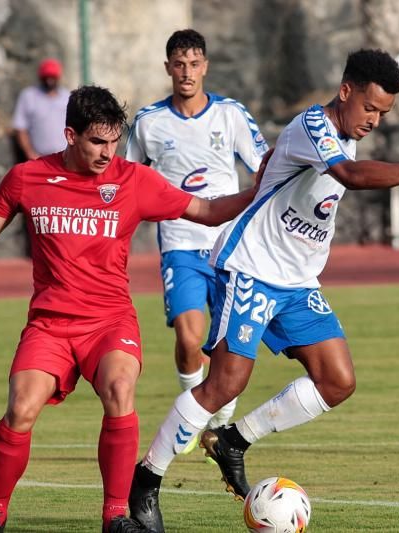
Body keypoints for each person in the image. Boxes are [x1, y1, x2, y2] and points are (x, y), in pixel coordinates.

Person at [0, 85, 265, 533]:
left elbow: (209, 210)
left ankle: (115, 517)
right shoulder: (27, 178)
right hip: (50, 325)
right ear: (69, 135)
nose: (108, 152)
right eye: (97, 142)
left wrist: (265, 186)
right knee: (21, 408)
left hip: (110, 321)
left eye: (114, 141)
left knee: (120, 390)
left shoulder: (132, 180)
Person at [126, 49, 399, 532]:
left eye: (384, 114)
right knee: (225, 383)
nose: (374, 120)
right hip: (250, 269)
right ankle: (146, 483)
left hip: (296, 283)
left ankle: (233, 441)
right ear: (346, 91)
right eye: (370, 108)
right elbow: (350, 177)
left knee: (338, 381)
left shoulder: (346, 135)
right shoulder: (313, 126)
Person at [125, 29, 268, 451]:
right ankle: (190, 418)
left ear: (205, 66)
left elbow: (265, 169)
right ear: (168, 67)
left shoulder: (231, 114)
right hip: (180, 245)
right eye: (179, 64)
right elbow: (126, 180)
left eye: (194, 64)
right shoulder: (150, 122)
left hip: (230, 246)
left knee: (230, 346)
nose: (186, 73)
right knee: (189, 340)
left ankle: (218, 428)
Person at [12, 58, 70, 160]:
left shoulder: (67, 97)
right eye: (46, 77)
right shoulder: (29, 96)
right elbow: (20, 128)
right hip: (39, 159)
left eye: (52, 77)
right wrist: (30, 153)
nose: (49, 80)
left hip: (65, 159)